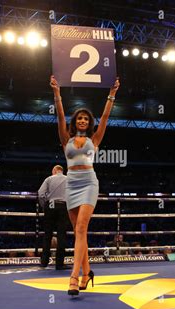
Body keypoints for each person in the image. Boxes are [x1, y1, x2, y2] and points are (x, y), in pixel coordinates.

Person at [50, 74, 120, 296]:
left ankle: (74, 276)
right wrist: (56, 93)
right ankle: (88, 272)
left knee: (81, 228)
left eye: (86, 119)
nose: (82, 121)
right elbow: (60, 115)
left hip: (89, 183)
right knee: (79, 233)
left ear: (89, 123)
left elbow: (106, 117)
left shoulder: (95, 139)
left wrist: (111, 95)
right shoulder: (65, 139)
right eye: (79, 118)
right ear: (75, 122)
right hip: (71, 183)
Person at [38, 165, 69, 270]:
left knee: (47, 235)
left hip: (50, 206)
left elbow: (40, 194)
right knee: (62, 235)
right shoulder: (68, 179)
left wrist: (44, 207)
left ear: (55, 171)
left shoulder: (49, 179)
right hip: (63, 207)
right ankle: (59, 264)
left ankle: (44, 263)